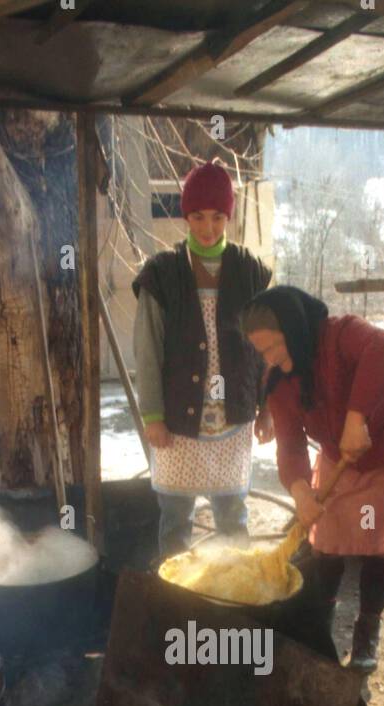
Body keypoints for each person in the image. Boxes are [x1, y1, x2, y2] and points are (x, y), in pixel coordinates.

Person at [241, 286, 384, 672]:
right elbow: (291, 447)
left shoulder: (339, 334)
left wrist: (356, 417)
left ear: (295, 328)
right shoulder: (280, 383)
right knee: (325, 543)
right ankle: (320, 622)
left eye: (273, 347)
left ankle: (368, 629)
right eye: (261, 352)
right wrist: (300, 492)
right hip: (340, 457)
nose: (270, 360)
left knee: (375, 542)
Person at [132, 161, 272, 559]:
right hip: (177, 422)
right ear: (185, 215)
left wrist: (268, 409)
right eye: (197, 216)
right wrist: (153, 416)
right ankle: (178, 609)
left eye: (217, 217)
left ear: (228, 216)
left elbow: (265, 349)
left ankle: (232, 607)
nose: (207, 228)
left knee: (232, 520)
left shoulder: (250, 272)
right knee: (176, 522)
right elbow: (147, 349)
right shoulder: (163, 274)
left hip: (233, 421)